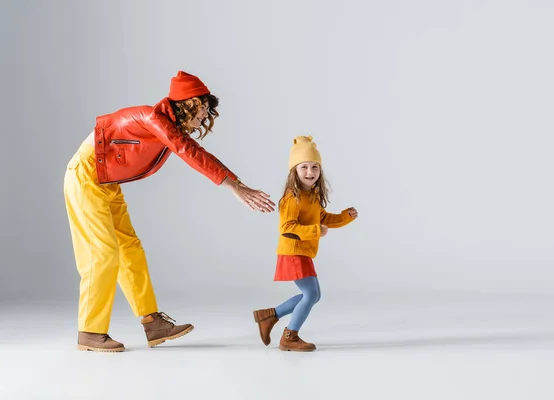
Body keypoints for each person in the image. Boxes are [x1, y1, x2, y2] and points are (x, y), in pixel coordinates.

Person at [64, 71, 275, 352]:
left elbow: (191, 147)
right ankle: (90, 331)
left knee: (131, 250)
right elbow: (188, 150)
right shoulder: (153, 120)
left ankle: (153, 323)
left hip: (106, 182)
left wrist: (236, 184)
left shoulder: (164, 123)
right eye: (203, 112)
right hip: (86, 176)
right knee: (102, 253)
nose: (204, 119)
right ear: (191, 104)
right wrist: (236, 187)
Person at [252, 136, 358, 351]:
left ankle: (270, 315)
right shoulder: (292, 198)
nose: (310, 172)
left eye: (314, 167)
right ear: (294, 171)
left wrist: (345, 217)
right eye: (304, 167)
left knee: (314, 295)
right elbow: (287, 228)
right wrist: (316, 231)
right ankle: (289, 336)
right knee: (310, 295)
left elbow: (324, 218)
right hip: (292, 251)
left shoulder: (311, 196)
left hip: (303, 251)